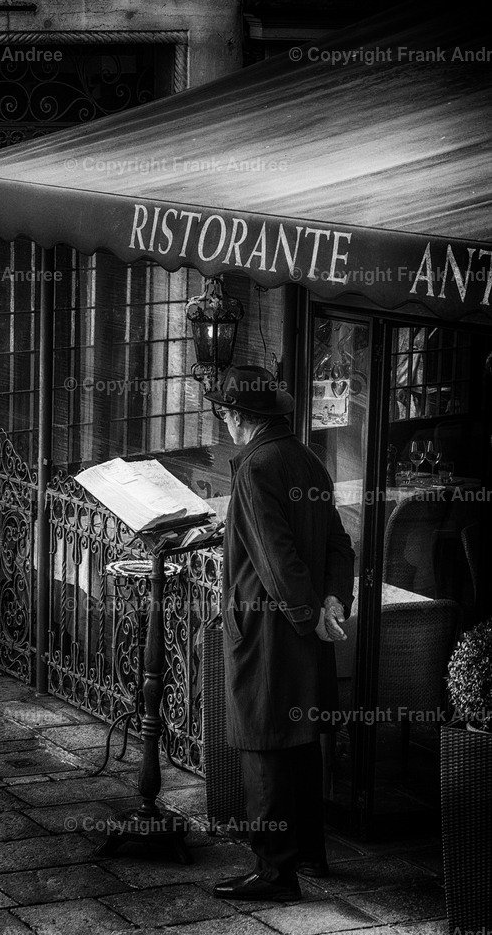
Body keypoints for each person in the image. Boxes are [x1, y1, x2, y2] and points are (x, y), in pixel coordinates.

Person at [206, 364, 355, 903]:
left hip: (270, 633)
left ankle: (275, 873)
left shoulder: (255, 468)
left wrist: (306, 612)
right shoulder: (307, 461)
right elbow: (339, 545)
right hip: (303, 628)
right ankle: (310, 853)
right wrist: (332, 600)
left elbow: (274, 557)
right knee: (300, 745)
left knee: (264, 747)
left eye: (223, 413)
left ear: (237, 417)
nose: (223, 422)